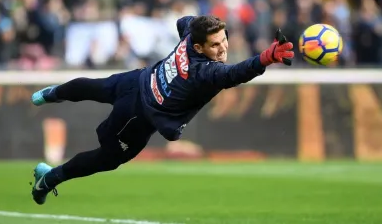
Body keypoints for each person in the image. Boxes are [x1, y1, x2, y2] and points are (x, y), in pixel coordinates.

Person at [29, 15, 294, 205]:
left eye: (224, 39)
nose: (223, 48)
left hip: (137, 80)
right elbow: (237, 73)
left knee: (95, 87)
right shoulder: (204, 71)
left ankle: (50, 93)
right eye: (215, 45)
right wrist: (267, 57)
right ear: (199, 47)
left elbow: (184, 22)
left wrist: (196, 27)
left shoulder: (191, 33)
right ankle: (50, 179)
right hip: (138, 115)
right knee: (108, 159)